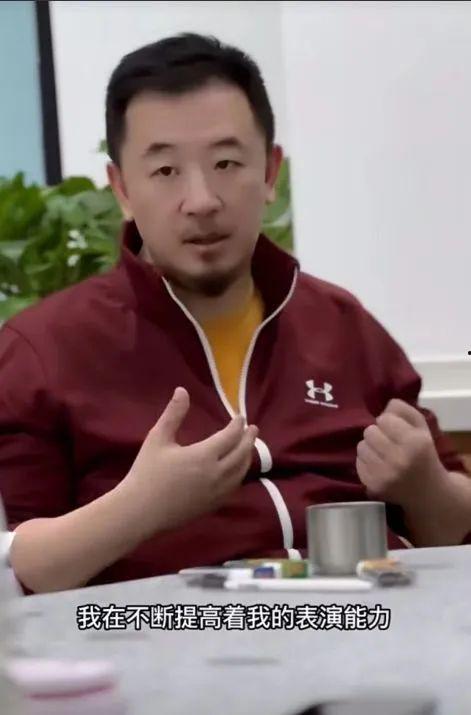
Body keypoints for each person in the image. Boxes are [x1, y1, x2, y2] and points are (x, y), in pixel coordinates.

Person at [0, 33, 470, 595]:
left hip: (375, 623)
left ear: (269, 172)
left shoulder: (343, 325)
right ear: (121, 188)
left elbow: (455, 533)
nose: (202, 200)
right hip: (174, 636)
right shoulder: (43, 350)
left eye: (226, 163)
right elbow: (21, 577)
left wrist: (425, 486)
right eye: (166, 171)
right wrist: (139, 506)